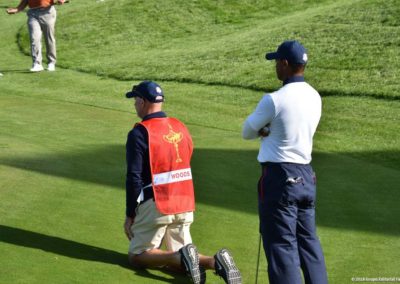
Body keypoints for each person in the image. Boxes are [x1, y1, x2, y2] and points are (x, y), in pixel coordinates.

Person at [124, 80, 242, 284]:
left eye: (135, 99)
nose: (134, 104)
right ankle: (215, 261)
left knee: (138, 255)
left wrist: (130, 214)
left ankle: (181, 256)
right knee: (182, 263)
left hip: (158, 203)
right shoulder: (180, 127)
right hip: (185, 202)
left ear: (143, 102)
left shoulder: (139, 133)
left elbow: (133, 177)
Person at [242, 40, 328, 284]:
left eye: (277, 62)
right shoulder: (315, 96)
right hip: (307, 177)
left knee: (282, 246)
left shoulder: (274, 99)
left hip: (280, 177)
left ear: (285, 64)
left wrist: (264, 130)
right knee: (309, 243)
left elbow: (247, 132)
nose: (275, 67)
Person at [6, 0, 65, 72]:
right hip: (33, 13)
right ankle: (37, 64)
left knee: (49, 38)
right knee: (34, 38)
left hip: (47, 12)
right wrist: (17, 9)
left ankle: (51, 62)